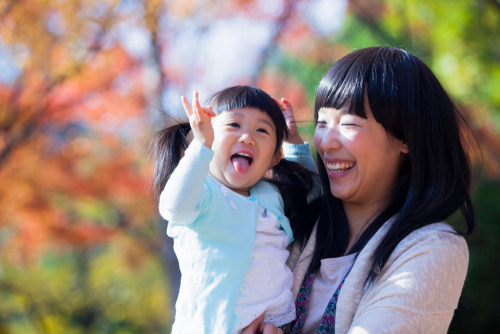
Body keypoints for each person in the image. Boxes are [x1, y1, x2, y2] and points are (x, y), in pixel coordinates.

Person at [243, 46, 478, 334]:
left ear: (406, 136)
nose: (327, 142)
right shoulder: (291, 225)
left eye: (349, 124)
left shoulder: (434, 249)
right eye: (322, 123)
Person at [152, 86, 319, 334]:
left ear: (275, 157)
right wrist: (201, 146)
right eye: (233, 125)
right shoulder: (202, 192)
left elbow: (314, 198)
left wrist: (292, 141)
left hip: (277, 325)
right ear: (208, 135)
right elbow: (174, 208)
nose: (247, 137)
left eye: (262, 130)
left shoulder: (270, 194)